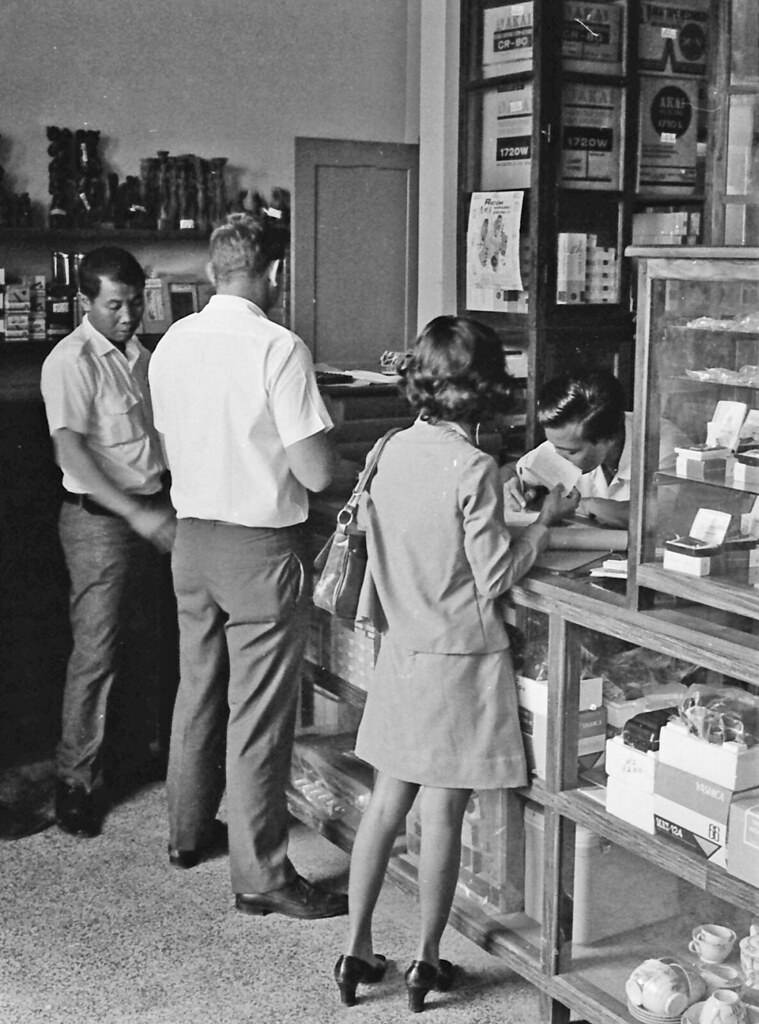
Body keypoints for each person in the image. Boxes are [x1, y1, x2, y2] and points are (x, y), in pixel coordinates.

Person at [333, 316, 573, 1011]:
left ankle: (355, 950)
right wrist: (544, 524)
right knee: (440, 818)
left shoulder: (388, 449)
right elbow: (493, 575)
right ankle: (425, 961)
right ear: (485, 390)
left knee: (384, 806)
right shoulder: (471, 468)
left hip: (401, 652)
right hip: (460, 663)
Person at [148, 212, 348, 920]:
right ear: (276, 273)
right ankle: (261, 876)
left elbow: (169, 446)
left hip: (192, 538)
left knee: (197, 687)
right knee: (258, 715)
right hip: (258, 547)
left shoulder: (171, 340)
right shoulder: (278, 346)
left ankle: (185, 832)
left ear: (210, 271)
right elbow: (317, 471)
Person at [40, 246, 175, 838]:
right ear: (85, 302)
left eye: (137, 302)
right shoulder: (69, 361)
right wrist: (136, 516)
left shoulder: (143, 356)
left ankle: (145, 751)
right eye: (115, 304)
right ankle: (75, 781)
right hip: (100, 519)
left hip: (152, 507)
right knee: (96, 652)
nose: (129, 315)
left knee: (154, 638)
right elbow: (70, 452)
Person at [505, 370, 689, 529]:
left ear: (609, 439)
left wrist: (585, 505)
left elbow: (657, 516)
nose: (557, 457)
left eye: (572, 452)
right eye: (555, 446)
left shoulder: (664, 445)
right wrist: (512, 485)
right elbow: (514, 470)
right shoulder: (566, 441)